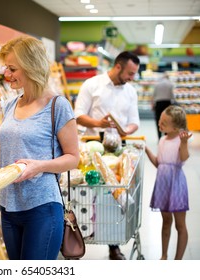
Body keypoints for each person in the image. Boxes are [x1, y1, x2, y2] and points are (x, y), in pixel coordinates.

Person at [0, 36, 80, 260]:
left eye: (12, 68)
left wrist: (39, 166)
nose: (6, 75)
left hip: (42, 208)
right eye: (5, 68)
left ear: (31, 67)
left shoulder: (57, 106)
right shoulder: (10, 105)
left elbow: (73, 158)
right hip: (9, 207)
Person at [74, 51, 141, 260]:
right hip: (92, 150)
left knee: (114, 196)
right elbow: (77, 116)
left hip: (118, 149)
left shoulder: (130, 91)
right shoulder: (92, 85)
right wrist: (98, 124)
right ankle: (79, 238)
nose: (132, 78)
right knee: (89, 196)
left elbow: (134, 120)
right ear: (118, 66)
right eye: (130, 73)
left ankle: (113, 245)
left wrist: (127, 129)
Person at [145, 105, 191, 260]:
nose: (159, 124)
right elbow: (159, 163)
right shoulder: (163, 140)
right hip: (162, 184)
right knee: (165, 221)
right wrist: (146, 150)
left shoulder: (180, 140)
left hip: (176, 184)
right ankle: (164, 256)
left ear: (176, 127)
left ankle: (178, 260)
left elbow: (184, 158)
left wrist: (184, 143)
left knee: (180, 225)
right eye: (160, 120)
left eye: (164, 123)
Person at [152, 73, 175, 139]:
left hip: (158, 103)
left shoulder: (157, 84)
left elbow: (153, 95)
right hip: (167, 103)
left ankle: (159, 136)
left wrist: (153, 104)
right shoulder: (170, 84)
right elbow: (172, 96)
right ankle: (166, 135)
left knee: (158, 120)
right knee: (167, 120)